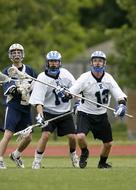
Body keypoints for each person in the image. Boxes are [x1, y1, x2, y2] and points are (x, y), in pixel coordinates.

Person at [68, 50, 127, 169]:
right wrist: (66, 94)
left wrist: (122, 105)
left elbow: (119, 94)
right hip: (85, 113)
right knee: (80, 136)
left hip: (101, 115)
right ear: (91, 63)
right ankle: (85, 152)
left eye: (100, 61)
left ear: (104, 63)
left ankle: (102, 163)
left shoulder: (109, 78)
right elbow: (72, 91)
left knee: (108, 144)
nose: (98, 63)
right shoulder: (85, 77)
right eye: (95, 61)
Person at [29, 50, 79, 169]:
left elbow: (77, 89)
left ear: (59, 62)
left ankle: (73, 155)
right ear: (47, 62)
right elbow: (38, 100)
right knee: (45, 135)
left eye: (56, 61)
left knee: (72, 137)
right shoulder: (42, 77)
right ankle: (37, 160)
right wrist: (40, 115)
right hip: (48, 112)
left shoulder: (65, 74)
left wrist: (77, 103)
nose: (53, 64)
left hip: (65, 112)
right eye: (51, 61)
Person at [0, 43, 37, 169]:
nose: (16, 54)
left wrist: (31, 87)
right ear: (10, 55)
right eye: (14, 52)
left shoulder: (30, 70)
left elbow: (37, 87)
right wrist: (19, 89)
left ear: (23, 54)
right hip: (14, 107)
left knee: (28, 137)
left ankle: (15, 155)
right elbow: (8, 88)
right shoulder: (7, 71)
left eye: (19, 52)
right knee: (8, 134)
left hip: (26, 108)